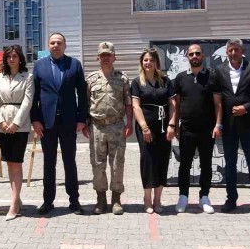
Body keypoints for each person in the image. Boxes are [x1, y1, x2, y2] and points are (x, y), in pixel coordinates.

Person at [30, 33, 88, 216]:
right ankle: (48, 201)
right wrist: (34, 119)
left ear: (65, 45)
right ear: (48, 45)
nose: (55, 45)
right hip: (46, 122)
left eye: (59, 43)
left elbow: (82, 94)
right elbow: (33, 95)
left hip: (69, 121)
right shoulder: (39, 66)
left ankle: (74, 201)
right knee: (49, 163)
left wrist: (82, 119)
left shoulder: (74, 64)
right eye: (52, 43)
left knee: (70, 161)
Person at [213, 39, 250, 214]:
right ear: (226, 52)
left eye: (236, 50)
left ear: (242, 51)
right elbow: (217, 99)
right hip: (228, 126)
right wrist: (218, 123)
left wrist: (246, 107)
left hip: (249, 125)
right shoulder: (219, 70)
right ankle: (231, 199)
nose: (233, 53)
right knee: (230, 164)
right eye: (230, 50)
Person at [82, 42, 132, 215]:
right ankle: (101, 199)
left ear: (114, 57)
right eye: (102, 55)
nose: (105, 58)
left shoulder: (122, 78)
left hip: (117, 125)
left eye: (108, 54)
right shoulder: (90, 79)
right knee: (97, 164)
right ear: (98, 58)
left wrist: (129, 123)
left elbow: (128, 103)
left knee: (117, 164)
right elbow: (85, 104)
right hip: (97, 127)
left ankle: (116, 199)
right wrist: (85, 123)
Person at [170, 44, 219, 214]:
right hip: (187, 130)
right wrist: (175, 125)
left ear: (203, 56)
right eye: (191, 54)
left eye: (198, 53)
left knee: (206, 165)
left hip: (207, 130)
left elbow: (218, 104)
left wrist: (218, 125)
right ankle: (183, 196)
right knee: (184, 165)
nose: (195, 56)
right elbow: (176, 104)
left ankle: (204, 197)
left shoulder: (212, 76)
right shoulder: (181, 78)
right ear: (187, 57)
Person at [0, 45, 34, 221]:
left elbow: (27, 102)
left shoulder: (28, 77)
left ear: (20, 58)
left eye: (15, 56)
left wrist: (16, 123)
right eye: (9, 56)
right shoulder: (0, 76)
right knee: (9, 163)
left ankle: (14, 203)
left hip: (19, 125)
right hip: (2, 125)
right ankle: (16, 197)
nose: (11, 59)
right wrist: (0, 122)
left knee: (16, 163)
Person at [131, 49, 174, 214]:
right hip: (146, 128)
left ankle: (158, 199)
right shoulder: (137, 82)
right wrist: (144, 127)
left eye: (151, 60)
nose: (148, 63)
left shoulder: (165, 81)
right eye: (145, 60)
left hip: (163, 127)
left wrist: (171, 125)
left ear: (156, 63)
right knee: (148, 161)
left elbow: (173, 105)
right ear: (141, 63)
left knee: (162, 161)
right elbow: (136, 106)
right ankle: (147, 198)